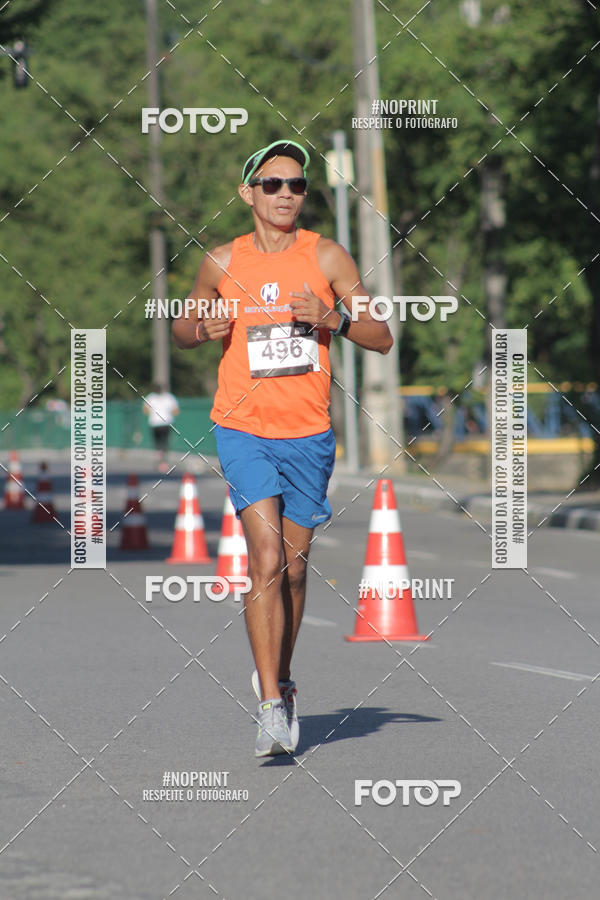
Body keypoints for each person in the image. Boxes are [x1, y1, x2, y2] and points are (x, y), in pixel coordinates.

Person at [172, 139, 392, 758]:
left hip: (309, 434)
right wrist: (201, 328)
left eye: (295, 184)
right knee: (264, 557)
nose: (286, 194)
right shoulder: (220, 261)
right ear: (248, 194)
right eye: (272, 185)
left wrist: (334, 319)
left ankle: (284, 680)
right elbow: (183, 326)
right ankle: (269, 704)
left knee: (294, 571)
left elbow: (381, 337)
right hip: (242, 428)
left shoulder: (327, 255)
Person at [143, 383, 179, 473]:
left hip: (155, 423)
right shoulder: (169, 397)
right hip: (166, 422)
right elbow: (175, 410)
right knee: (164, 442)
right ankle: (163, 461)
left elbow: (145, 409)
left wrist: (152, 415)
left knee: (157, 442)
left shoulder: (150, 397)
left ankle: (160, 458)